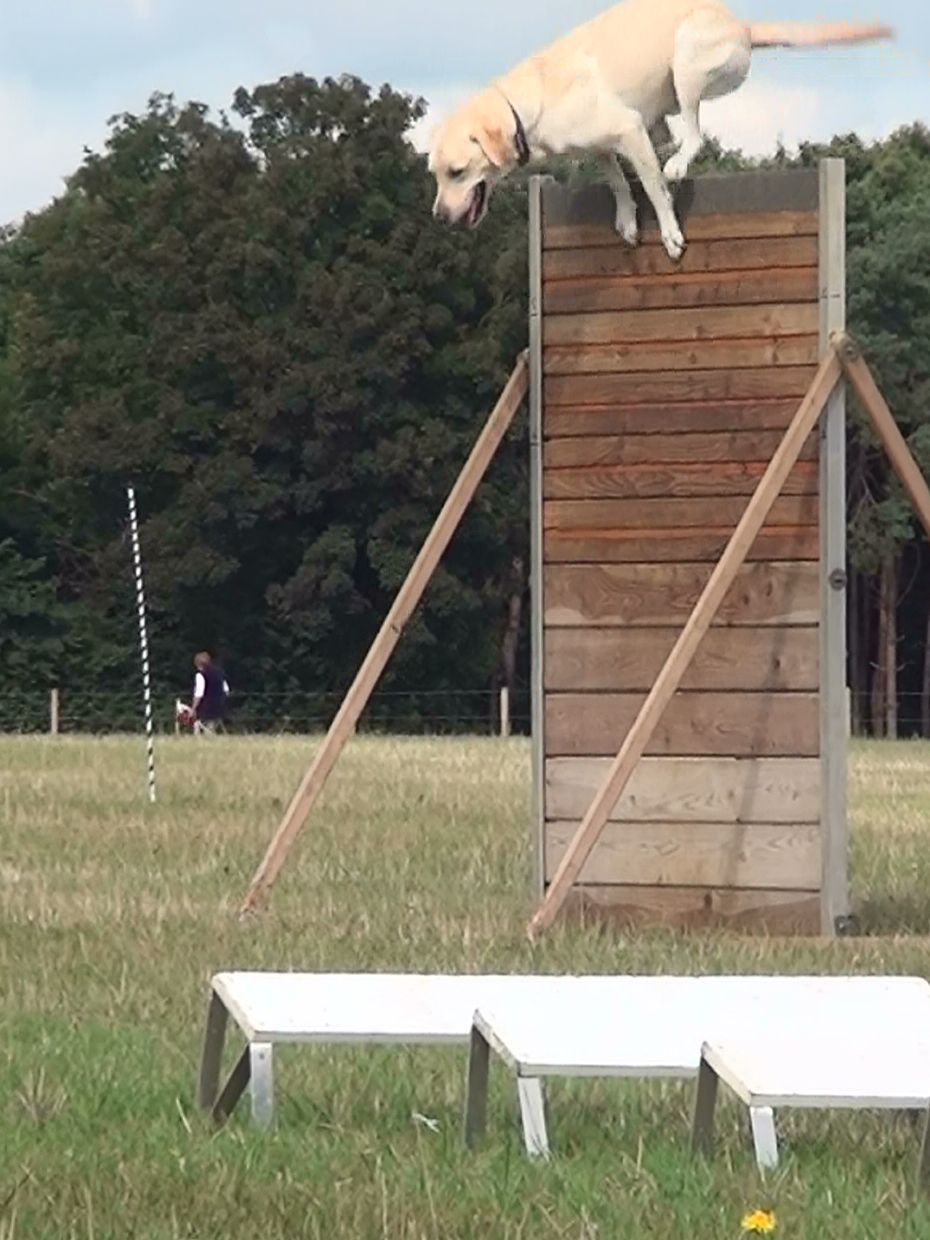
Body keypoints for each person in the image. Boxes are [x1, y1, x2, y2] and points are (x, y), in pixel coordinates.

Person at [190, 651, 229, 734]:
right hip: (219, 705)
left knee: (202, 728)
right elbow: (226, 690)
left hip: (206, 708)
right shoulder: (219, 673)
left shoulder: (200, 675)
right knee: (212, 728)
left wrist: (193, 709)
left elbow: (199, 693)